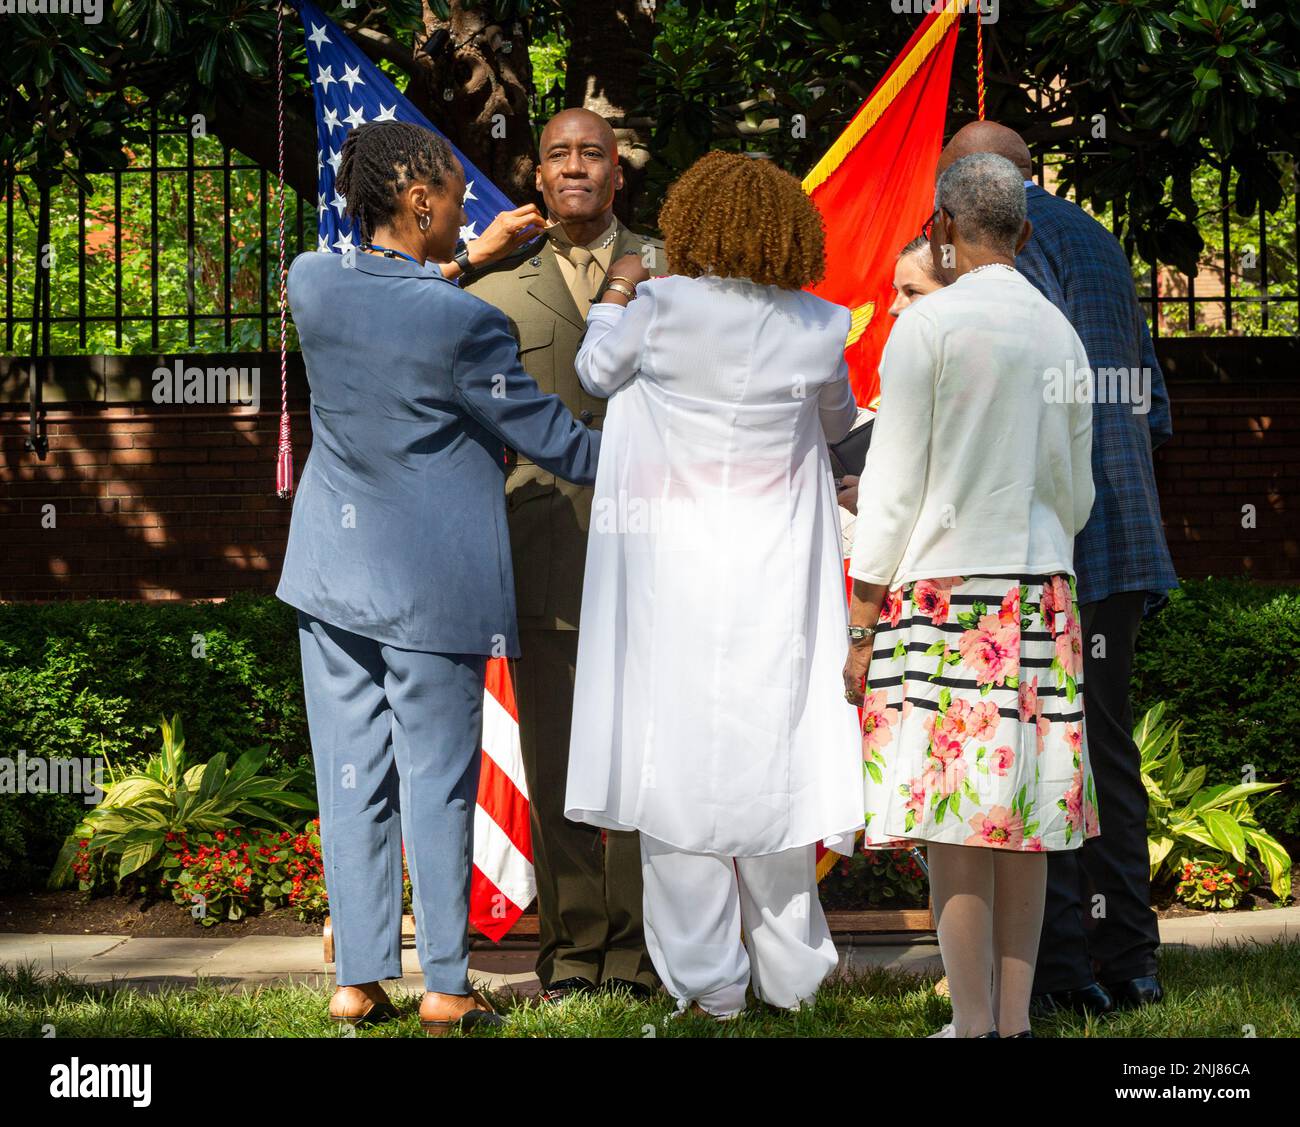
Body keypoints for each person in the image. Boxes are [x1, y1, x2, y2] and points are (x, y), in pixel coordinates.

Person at [277, 121, 600, 1033]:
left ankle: (358, 981)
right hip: (434, 589)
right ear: (419, 200)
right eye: (457, 195)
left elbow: (387, 307)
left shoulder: (313, 282)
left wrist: (453, 266)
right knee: (438, 781)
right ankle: (449, 986)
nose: (469, 213)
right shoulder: (467, 324)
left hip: (330, 581)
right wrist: (672, 461)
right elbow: (562, 444)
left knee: (352, 778)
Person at [564, 150, 865, 1020]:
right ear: (786, 232)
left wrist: (620, 283)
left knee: (680, 769)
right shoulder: (820, 325)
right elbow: (840, 423)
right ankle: (796, 975)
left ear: (693, 224)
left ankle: (709, 984)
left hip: (674, 577)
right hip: (775, 578)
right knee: (777, 756)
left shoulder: (658, 306)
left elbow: (594, 373)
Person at [843, 152, 1099, 1038]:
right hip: (1042, 589)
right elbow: (1078, 492)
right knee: (1021, 814)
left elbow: (891, 486)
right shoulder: (1060, 331)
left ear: (944, 231)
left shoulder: (930, 327)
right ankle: (1015, 1023)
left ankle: (974, 1022)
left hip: (947, 595)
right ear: (1026, 235)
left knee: (955, 821)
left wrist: (863, 614)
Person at [936, 120, 1177, 1015]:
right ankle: (1132, 963)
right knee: (1102, 751)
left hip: (1043, 540)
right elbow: (1149, 402)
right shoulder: (1102, 242)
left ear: (970, 184)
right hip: (1122, 531)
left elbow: (1004, 400)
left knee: (1045, 760)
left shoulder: (1001, 254)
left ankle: (1066, 974)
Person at [463, 109, 664, 1003]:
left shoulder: (673, 269)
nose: (576, 166)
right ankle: (577, 949)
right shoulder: (496, 287)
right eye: (559, 155)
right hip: (546, 548)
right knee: (558, 762)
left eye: (594, 153)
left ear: (617, 173)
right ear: (535, 176)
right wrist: (468, 256)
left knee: (649, 761)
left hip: (662, 553)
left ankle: (641, 946)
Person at [837, 237, 946, 543]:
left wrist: (872, 499)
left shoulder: (917, 356)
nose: (895, 308)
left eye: (912, 292)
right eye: (896, 291)